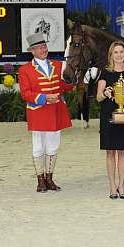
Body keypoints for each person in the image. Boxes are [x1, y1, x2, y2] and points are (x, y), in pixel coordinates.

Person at [18, 32, 74, 193]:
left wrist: (76, 79)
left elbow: (66, 86)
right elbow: (25, 93)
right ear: (32, 51)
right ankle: (40, 180)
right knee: (38, 147)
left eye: (44, 46)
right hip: (38, 111)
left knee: (53, 146)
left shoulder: (58, 65)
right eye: (39, 48)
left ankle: (49, 178)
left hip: (56, 110)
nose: (43, 49)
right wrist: (43, 98)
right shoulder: (25, 70)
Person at [96, 41, 124, 199]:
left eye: (121, 52)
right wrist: (105, 94)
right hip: (108, 116)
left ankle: (122, 185)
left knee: (122, 152)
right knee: (110, 152)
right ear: (111, 55)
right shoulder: (105, 73)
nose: (119, 55)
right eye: (116, 52)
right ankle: (112, 186)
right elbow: (99, 97)